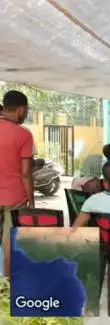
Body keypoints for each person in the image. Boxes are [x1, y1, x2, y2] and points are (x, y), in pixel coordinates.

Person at [0, 90, 34, 279]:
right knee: (9, 244)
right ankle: (6, 289)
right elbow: (25, 173)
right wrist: (31, 198)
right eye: (26, 110)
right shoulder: (23, 135)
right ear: (21, 109)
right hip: (14, 199)